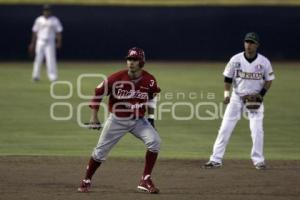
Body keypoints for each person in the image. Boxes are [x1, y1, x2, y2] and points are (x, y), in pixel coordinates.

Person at [78, 47, 161, 194]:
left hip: (138, 121)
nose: (131, 62)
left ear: (142, 62)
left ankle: (145, 180)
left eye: (135, 60)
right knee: (100, 152)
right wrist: (93, 116)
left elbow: (152, 98)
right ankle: (86, 180)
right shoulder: (116, 78)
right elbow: (98, 92)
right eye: (129, 59)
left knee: (155, 142)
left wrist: (151, 119)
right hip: (117, 120)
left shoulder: (150, 80)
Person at [203, 32, 275, 170]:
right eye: (247, 42)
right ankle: (215, 159)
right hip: (237, 98)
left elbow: (269, 79)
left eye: (252, 42)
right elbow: (228, 78)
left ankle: (258, 160)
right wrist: (226, 95)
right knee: (225, 128)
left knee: (257, 130)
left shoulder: (264, 62)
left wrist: (261, 95)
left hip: (255, 99)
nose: (249, 45)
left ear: (257, 45)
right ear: (244, 43)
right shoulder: (235, 59)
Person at [28, 4, 63, 82]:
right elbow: (35, 32)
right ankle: (35, 76)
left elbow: (58, 32)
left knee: (50, 59)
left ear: (50, 11)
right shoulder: (39, 20)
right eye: (45, 10)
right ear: (43, 11)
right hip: (40, 41)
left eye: (48, 10)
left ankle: (52, 77)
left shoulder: (54, 20)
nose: (46, 12)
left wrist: (59, 41)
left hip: (50, 42)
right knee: (38, 59)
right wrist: (32, 43)